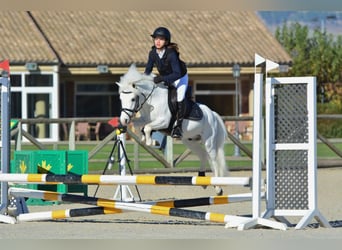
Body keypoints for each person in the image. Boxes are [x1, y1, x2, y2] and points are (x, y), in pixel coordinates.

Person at [144, 27, 188, 138]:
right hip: (167, 78)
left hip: (180, 78)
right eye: (156, 39)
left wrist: (162, 78)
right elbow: (148, 71)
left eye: (161, 39)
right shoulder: (152, 53)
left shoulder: (171, 54)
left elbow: (177, 73)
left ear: (166, 41)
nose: (158, 41)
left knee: (179, 97)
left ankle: (179, 126)